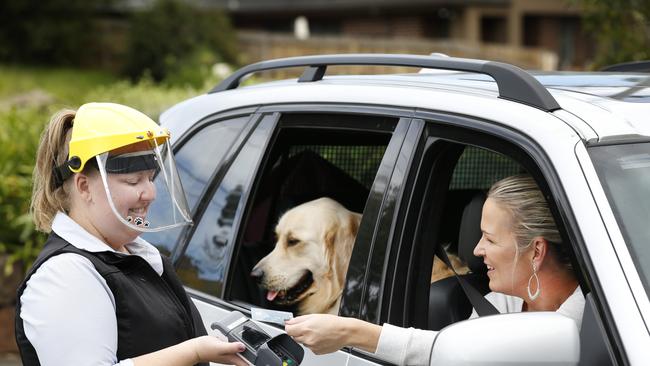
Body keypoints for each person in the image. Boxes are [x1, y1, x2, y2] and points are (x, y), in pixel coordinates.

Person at [15, 103, 247, 366]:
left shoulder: (132, 253)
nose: (150, 193)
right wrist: (192, 353)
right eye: (133, 181)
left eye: (150, 178)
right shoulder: (65, 275)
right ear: (84, 187)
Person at [284, 175, 585, 366]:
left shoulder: (594, 323)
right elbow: (448, 355)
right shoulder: (500, 303)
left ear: (536, 252)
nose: (477, 250)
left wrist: (350, 330)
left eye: (490, 239)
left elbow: (441, 353)